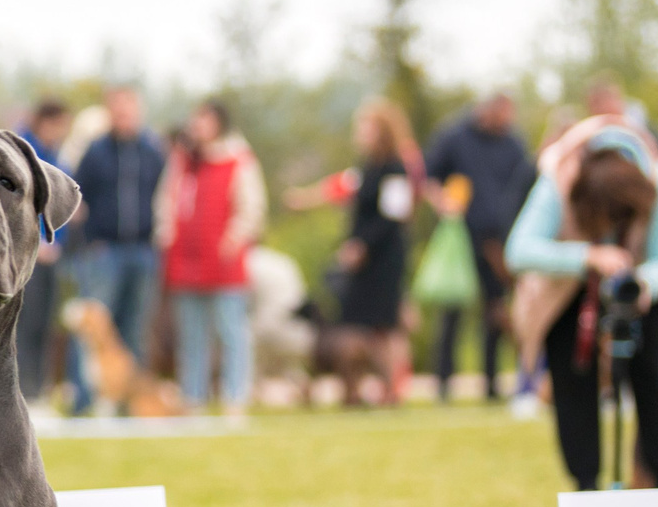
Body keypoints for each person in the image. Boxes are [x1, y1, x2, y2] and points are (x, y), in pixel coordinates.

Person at [505, 117, 658, 488]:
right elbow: (517, 251)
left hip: (642, 290)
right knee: (573, 382)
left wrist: (647, 282)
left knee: (651, 377)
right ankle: (586, 485)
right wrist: (588, 256)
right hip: (572, 288)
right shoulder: (559, 177)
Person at [286, 98, 420, 405]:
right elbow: (340, 189)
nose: (360, 132)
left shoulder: (395, 168)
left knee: (383, 327)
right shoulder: (367, 168)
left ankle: (391, 389)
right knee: (357, 325)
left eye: (366, 126)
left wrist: (363, 245)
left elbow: (394, 216)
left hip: (383, 260)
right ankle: (354, 389)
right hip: (362, 262)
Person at [156, 100, 266, 412]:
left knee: (231, 331)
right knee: (191, 335)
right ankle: (193, 397)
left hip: (224, 260)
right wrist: (167, 235)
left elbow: (251, 205)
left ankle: (235, 397)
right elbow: (166, 199)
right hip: (186, 259)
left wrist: (235, 237)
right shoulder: (182, 161)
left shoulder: (238, 159)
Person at [422, 92, 534, 401]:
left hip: (497, 240)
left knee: (495, 311)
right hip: (461, 236)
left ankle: (492, 384)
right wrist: (441, 202)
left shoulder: (513, 143)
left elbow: (523, 186)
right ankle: (444, 383)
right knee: (452, 310)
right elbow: (428, 176)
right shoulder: (454, 136)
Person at [72, 86, 165, 407]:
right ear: (110, 112)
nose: (125, 116)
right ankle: (84, 399)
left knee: (135, 327)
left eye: (130, 109)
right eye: (119, 110)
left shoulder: (152, 152)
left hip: (142, 249)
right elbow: (77, 195)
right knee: (92, 329)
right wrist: (88, 238)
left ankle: (130, 401)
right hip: (104, 250)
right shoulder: (96, 151)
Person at [14, 99, 74, 406]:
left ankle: (38, 390)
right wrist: (35, 242)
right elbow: (21, 202)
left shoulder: (56, 154)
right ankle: (22, 390)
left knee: (44, 325)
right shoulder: (24, 151)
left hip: (54, 255)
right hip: (29, 257)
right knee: (23, 325)